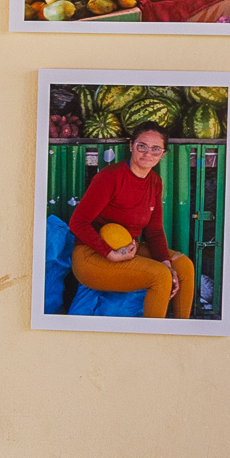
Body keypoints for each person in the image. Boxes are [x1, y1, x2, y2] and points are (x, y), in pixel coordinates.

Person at [67, 124, 196, 320]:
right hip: (91, 255)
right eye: (142, 146)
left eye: (155, 149)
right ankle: (153, 339)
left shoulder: (155, 181)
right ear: (131, 145)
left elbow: (154, 231)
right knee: (160, 276)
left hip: (126, 249)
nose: (148, 153)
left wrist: (167, 262)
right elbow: (78, 222)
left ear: (163, 153)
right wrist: (110, 254)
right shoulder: (110, 177)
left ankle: (181, 331)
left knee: (183, 266)